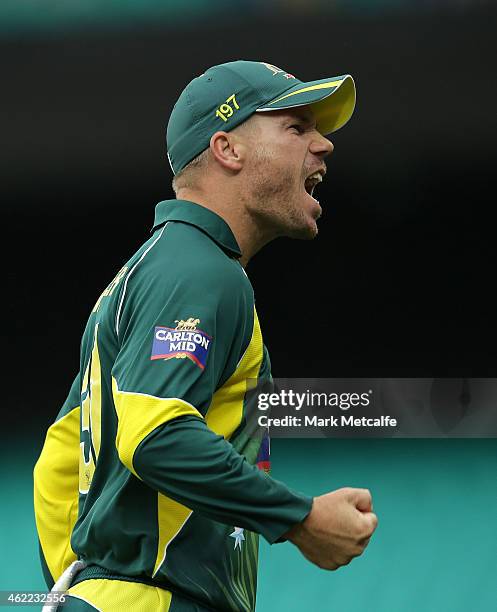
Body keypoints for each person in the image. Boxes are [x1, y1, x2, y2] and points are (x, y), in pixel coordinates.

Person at [34, 60, 378, 612]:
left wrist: (85, 592)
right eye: (296, 127)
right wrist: (300, 518)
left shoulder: (149, 272)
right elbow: (156, 436)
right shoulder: (201, 270)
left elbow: (57, 465)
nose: (323, 145)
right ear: (228, 149)